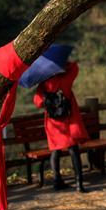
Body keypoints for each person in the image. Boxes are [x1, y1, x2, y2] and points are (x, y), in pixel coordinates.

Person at [33, 60, 89, 192]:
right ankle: (79, 183)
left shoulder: (43, 84)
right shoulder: (64, 79)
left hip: (53, 124)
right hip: (67, 120)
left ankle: (57, 181)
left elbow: (38, 103)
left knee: (55, 150)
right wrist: (64, 63)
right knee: (73, 150)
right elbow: (75, 68)